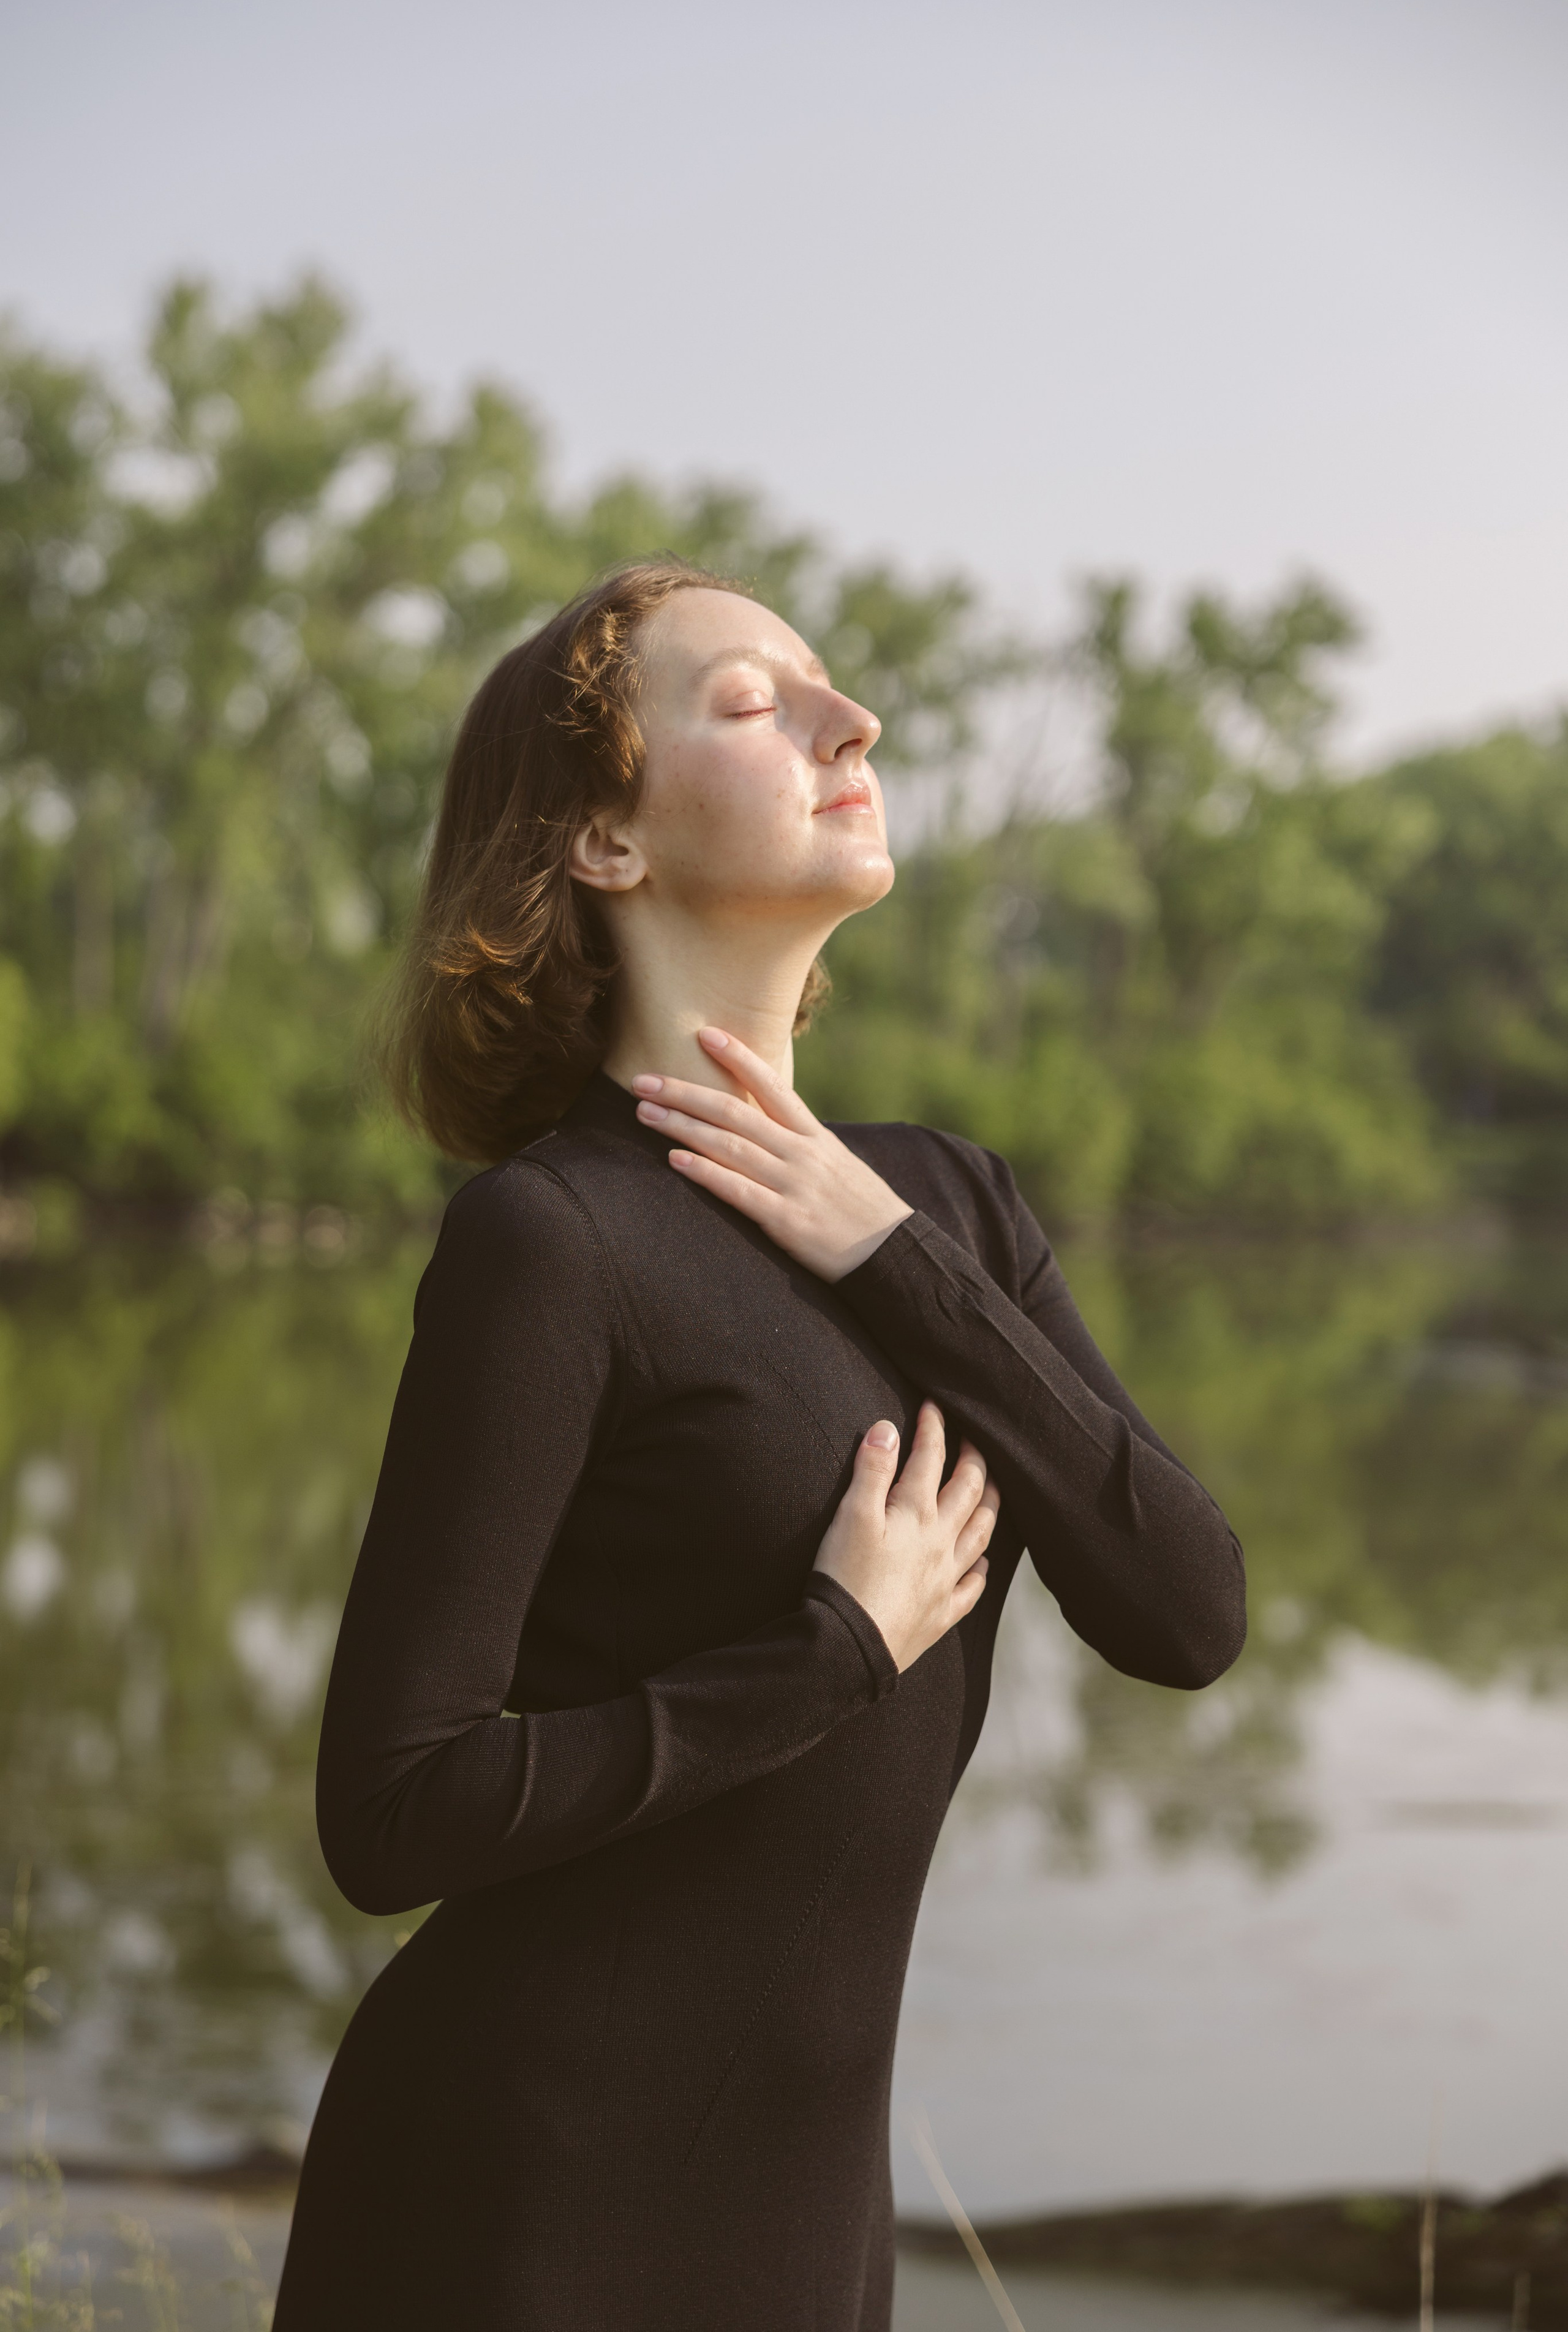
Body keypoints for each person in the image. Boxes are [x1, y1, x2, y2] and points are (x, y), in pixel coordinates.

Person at [272, 560, 1245, 2331]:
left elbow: (1188, 1612)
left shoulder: (947, 1206)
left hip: (805, 2232)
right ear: (607, 845)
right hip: (514, 2214)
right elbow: (390, 1810)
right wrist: (828, 1656)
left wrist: (895, 1258)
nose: (849, 720)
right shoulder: (553, 1241)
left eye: (833, 688)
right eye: (749, 702)